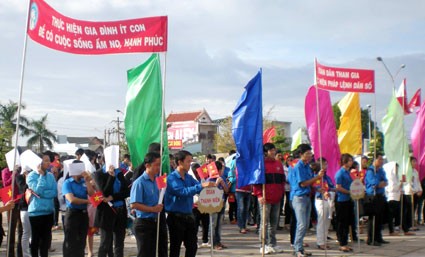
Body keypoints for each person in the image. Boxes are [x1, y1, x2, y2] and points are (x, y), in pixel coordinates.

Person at [164, 150, 215, 257]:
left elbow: (198, 188)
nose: (190, 164)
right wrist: (202, 186)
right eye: (188, 161)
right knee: (175, 247)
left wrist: (212, 189)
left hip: (189, 215)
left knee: (192, 246)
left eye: (191, 161)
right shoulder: (171, 178)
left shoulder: (188, 177)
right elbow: (182, 192)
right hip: (175, 217)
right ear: (179, 162)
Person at [130, 152, 167, 257]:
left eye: (160, 165)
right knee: (145, 253)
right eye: (157, 165)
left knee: (161, 251)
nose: (159, 168)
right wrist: (153, 209)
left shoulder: (158, 180)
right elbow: (134, 204)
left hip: (157, 222)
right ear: (147, 165)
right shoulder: (139, 182)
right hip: (144, 223)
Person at [291, 144, 324, 257]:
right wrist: (318, 177)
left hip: (307, 197)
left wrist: (318, 188)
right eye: (307, 154)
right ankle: (297, 249)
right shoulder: (299, 167)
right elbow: (303, 183)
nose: (310, 156)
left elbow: (309, 183)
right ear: (301, 155)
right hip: (299, 198)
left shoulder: (307, 166)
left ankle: (299, 248)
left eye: (310, 153)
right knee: (301, 224)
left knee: (305, 225)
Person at [253, 143, 285, 254]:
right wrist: (259, 195)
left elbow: (282, 180)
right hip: (265, 199)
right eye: (271, 150)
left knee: (274, 223)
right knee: (264, 223)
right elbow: (256, 183)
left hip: (277, 198)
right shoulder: (260, 165)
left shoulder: (279, 164)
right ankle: (263, 245)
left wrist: (281, 193)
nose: (274, 152)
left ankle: (273, 244)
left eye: (274, 150)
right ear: (266, 152)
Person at [93, 163, 130, 257]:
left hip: (120, 209)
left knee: (119, 242)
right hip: (106, 211)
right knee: (105, 242)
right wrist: (111, 177)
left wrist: (113, 197)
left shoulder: (120, 173)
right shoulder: (99, 173)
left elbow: (126, 192)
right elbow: (103, 192)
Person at [26, 152, 58, 257]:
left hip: (48, 211)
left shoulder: (50, 176)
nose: (49, 163)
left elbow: (54, 192)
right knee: (35, 239)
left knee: (46, 240)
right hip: (36, 212)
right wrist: (41, 176)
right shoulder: (31, 176)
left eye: (49, 160)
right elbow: (37, 190)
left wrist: (43, 193)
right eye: (46, 160)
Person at [62, 161, 95, 257]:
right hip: (73, 213)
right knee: (70, 242)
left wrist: (87, 181)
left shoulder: (83, 182)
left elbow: (92, 194)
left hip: (83, 214)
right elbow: (71, 199)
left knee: (81, 241)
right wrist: (87, 202)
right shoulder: (68, 183)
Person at [365, 153, 389, 246]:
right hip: (372, 196)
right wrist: (379, 184)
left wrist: (382, 183)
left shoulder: (381, 170)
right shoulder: (371, 171)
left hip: (380, 195)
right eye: (379, 159)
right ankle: (371, 238)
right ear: (374, 160)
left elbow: (385, 181)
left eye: (382, 159)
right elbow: (375, 183)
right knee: (373, 218)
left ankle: (378, 237)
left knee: (380, 218)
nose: (381, 161)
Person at [312, 158, 334, 250]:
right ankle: (320, 242)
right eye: (324, 164)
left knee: (327, 221)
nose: (326, 166)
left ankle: (324, 240)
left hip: (328, 200)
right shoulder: (317, 176)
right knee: (321, 221)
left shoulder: (327, 177)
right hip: (320, 200)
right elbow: (316, 187)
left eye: (326, 164)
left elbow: (331, 187)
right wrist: (323, 192)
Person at [207, 161, 229, 250]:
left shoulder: (222, 178)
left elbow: (227, 190)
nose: (223, 171)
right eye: (221, 169)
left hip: (221, 203)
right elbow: (209, 192)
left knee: (219, 224)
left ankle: (218, 241)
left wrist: (223, 184)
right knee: (213, 223)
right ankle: (212, 242)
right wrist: (216, 183)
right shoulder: (210, 180)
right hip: (213, 204)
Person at [335, 154, 354, 252]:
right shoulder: (340, 173)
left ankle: (345, 242)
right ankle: (341, 242)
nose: (351, 162)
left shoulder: (348, 172)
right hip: (341, 200)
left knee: (347, 222)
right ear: (345, 161)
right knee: (342, 222)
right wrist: (348, 192)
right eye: (350, 160)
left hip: (348, 199)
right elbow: (338, 187)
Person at [2, 166, 22, 257]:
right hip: (11, 202)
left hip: (20, 201)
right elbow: (6, 184)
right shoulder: (5, 171)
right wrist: (13, 175)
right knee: (11, 228)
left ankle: (20, 252)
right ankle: (10, 253)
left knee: (21, 229)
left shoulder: (21, 170)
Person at [384, 162, 402, 236]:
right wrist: (400, 184)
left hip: (396, 197)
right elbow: (392, 188)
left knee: (396, 214)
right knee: (391, 215)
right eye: (396, 168)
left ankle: (395, 228)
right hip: (391, 198)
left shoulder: (396, 177)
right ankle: (391, 230)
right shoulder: (390, 178)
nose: (397, 170)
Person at [16, 167, 31, 257]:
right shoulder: (20, 177)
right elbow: (23, 189)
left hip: (35, 207)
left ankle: (34, 252)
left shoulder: (35, 175)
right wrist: (26, 177)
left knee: (34, 233)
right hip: (24, 207)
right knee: (26, 232)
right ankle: (25, 254)